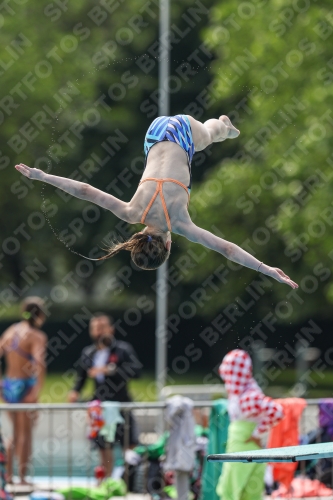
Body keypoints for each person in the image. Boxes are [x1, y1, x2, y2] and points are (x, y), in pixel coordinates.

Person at [15, 114, 298, 288]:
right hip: (154, 134)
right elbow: (87, 191)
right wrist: (43, 176)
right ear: (138, 236)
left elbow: (226, 249)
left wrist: (266, 269)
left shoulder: (180, 223)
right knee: (205, 137)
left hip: (183, 133)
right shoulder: (131, 212)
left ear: (168, 244)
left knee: (211, 135)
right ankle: (221, 128)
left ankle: (224, 126)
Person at [68, 313, 142, 477]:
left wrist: (109, 370)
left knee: (129, 444)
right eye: (95, 328)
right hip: (100, 405)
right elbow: (82, 376)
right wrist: (75, 391)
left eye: (102, 328)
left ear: (111, 329)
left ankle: (129, 481)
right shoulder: (89, 352)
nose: (99, 332)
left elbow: (137, 372)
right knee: (103, 445)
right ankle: (106, 482)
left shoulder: (122, 349)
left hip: (121, 403)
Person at [216, 349, 284, 500]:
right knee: (249, 489)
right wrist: (258, 433)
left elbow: (277, 411)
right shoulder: (244, 392)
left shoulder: (248, 397)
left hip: (243, 447)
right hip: (247, 447)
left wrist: (257, 434)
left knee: (233, 488)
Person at [0, 297, 47, 486]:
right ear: (40, 315)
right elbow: (40, 363)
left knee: (15, 433)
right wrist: (36, 390)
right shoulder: (37, 336)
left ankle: (8, 475)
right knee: (25, 434)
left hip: (9, 384)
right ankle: (22, 478)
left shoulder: (11, 331)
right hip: (25, 385)